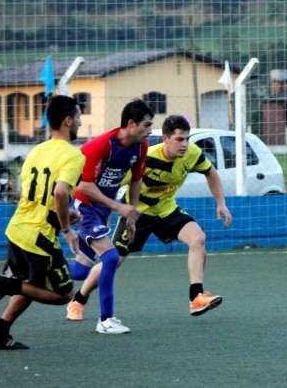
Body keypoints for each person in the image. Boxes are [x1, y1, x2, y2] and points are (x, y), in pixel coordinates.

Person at [66, 114, 232, 321]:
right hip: (138, 215)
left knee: (197, 238)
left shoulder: (192, 154)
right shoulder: (148, 158)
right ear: (165, 139)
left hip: (166, 210)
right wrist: (113, 213)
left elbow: (211, 173)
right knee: (114, 261)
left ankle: (196, 297)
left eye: (187, 139)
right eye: (179, 139)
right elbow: (116, 185)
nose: (185, 144)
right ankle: (78, 300)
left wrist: (221, 203)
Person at [0, 95, 85, 350]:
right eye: (79, 117)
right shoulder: (73, 155)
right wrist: (67, 229)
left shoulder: (35, 151)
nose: (81, 122)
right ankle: (6, 285)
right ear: (68, 120)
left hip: (18, 228)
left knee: (31, 286)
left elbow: (35, 196)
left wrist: (65, 214)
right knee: (64, 296)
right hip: (39, 236)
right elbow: (59, 192)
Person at [65, 99, 154, 334]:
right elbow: (84, 186)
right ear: (131, 124)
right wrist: (118, 207)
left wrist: (130, 216)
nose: (150, 130)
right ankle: (106, 320)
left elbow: (136, 180)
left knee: (82, 270)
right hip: (84, 207)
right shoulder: (101, 145)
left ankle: (34, 271)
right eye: (146, 125)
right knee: (112, 258)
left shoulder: (140, 146)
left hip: (101, 209)